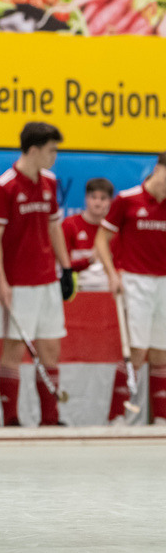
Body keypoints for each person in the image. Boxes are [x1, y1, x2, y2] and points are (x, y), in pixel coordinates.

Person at [0, 122, 73, 427]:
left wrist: (67, 267)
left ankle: (51, 419)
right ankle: (11, 420)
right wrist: (1, 280)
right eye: (52, 150)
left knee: (50, 347)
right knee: (13, 349)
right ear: (34, 150)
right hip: (17, 283)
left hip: (47, 279)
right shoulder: (5, 185)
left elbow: (54, 226)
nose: (55, 156)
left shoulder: (49, 181)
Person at [95, 152, 166, 425]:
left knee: (161, 351)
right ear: (159, 169)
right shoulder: (127, 199)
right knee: (135, 351)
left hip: (163, 282)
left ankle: (160, 419)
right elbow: (102, 239)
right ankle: (116, 417)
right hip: (135, 282)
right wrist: (112, 273)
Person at [62, 178, 115, 291]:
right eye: (93, 197)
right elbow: (62, 264)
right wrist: (90, 259)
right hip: (78, 288)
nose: (98, 202)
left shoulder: (115, 230)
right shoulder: (70, 225)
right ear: (86, 198)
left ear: (111, 201)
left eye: (103, 198)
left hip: (109, 288)